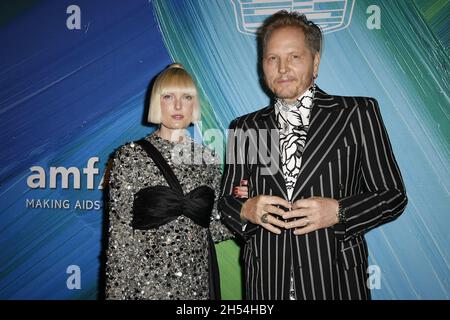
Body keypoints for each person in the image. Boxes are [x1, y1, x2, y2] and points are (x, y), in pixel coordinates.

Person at [219, 11, 407, 300]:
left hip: (336, 280)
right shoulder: (246, 127)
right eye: (272, 58)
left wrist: (340, 211)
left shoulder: (356, 114)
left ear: (315, 63)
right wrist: (245, 210)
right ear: (262, 65)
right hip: (267, 280)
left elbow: (393, 195)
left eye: (294, 56)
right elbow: (227, 201)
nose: (282, 68)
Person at [105, 63, 236, 299]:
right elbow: (119, 239)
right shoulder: (130, 157)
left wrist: (244, 208)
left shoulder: (207, 158)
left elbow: (214, 229)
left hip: (196, 286)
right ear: (157, 101)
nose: (177, 106)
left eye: (186, 97)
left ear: (194, 103)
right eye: (168, 96)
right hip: (145, 288)